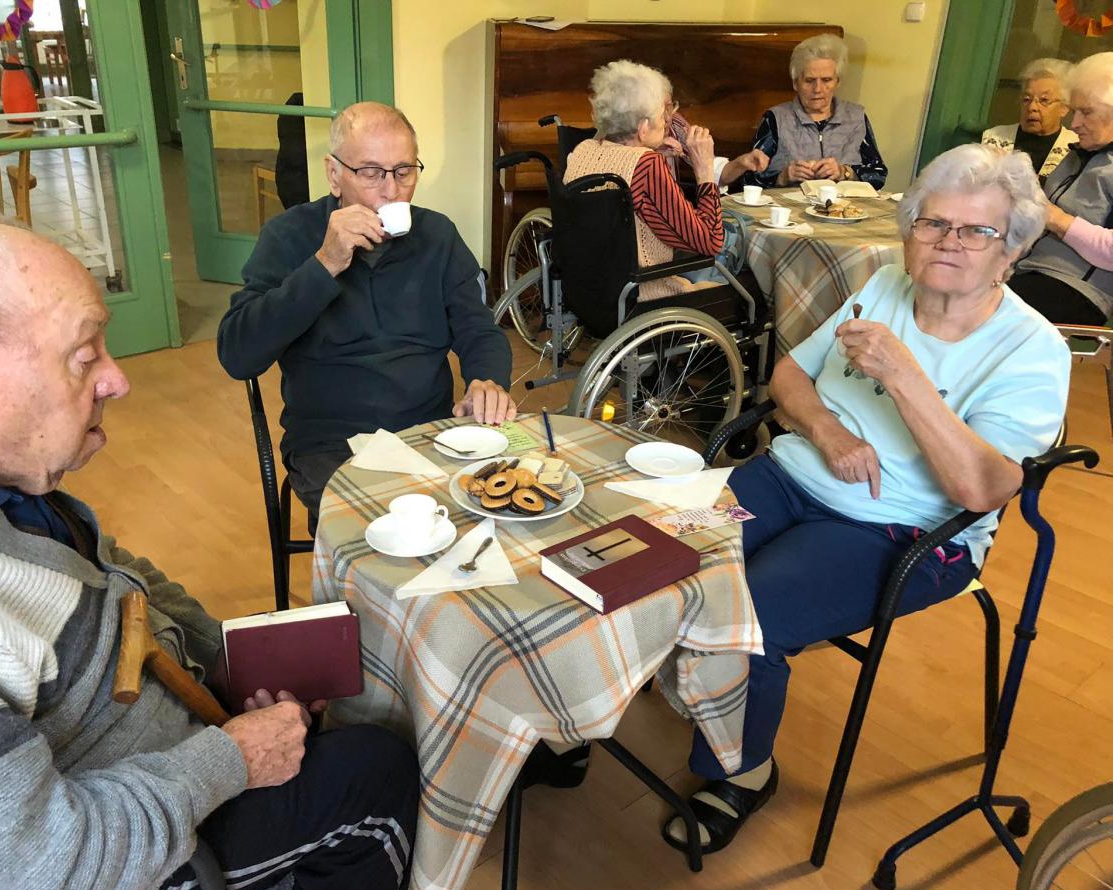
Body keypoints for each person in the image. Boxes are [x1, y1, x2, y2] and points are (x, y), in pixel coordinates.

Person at [0, 222, 420, 890]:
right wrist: (231, 759)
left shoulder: (2, 480)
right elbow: (33, 871)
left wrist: (229, 663)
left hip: (173, 739)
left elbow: (122, 579)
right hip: (134, 851)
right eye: (84, 355)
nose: (118, 379)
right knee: (379, 768)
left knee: (336, 701)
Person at [662, 143, 1070, 855]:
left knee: (748, 613)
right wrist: (827, 432)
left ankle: (743, 772)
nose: (948, 242)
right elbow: (789, 376)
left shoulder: (1033, 350)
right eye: (932, 222)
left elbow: (982, 489)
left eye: (977, 230)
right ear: (908, 231)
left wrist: (905, 375)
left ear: (1011, 251)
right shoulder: (884, 285)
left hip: (904, 532)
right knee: (665, 546)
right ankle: (617, 693)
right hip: (789, 478)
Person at [218, 102, 516, 531]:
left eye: (404, 171)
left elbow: (478, 328)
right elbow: (238, 355)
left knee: (503, 507)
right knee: (393, 532)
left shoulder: (437, 235)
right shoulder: (289, 236)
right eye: (372, 173)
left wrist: (486, 381)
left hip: (430, 430)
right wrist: (324, 264)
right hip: (330, 441)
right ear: (334, 174)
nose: (392, 191)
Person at [563, 59, 766, 301]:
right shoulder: (646, 164)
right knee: (753, 289)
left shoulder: (583, 150)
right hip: (643, 294)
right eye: (662, 114)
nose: (666, 120)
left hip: (589, 290)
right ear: (643, 127)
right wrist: (704, 171)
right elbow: (710, 242)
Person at [1008, 51, 1113, 326]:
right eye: (1074, 111)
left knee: (976, 311)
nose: (1074, 124)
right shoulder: (1077, 154)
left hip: (1076, 289)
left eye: (1086, 112)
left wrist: (1057, 219)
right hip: (1027, 271)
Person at [746, 33, 887, 189]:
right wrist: (783, 177)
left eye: (826, 80)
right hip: (790, 203)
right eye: (809, 80)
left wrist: (844, 172)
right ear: (795, 83)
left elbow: (879, 175)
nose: (818, 89)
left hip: (843, 204)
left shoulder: (855, 117)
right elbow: (749, 179)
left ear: (837, 82)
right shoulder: (776, 118)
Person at [982, 58, 1077, 182]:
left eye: (1044, 100)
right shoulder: (996, 139)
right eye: (1026, 99)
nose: (1032, 107)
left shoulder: (1075, 148)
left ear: (1064, 108)